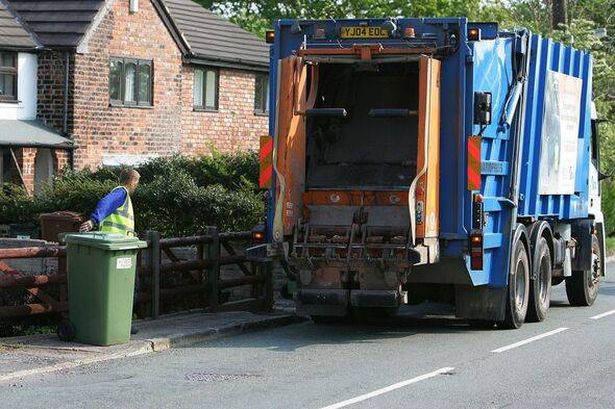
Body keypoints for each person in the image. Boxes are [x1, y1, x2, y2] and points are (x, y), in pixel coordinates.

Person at [79, 168, 140, 235]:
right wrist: (93, 221)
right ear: (132, 181)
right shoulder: (121, 193)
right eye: (136, 182)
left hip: (117, 240)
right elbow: (106, 203)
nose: (136, 185)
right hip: (115, 239)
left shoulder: (122, 195)